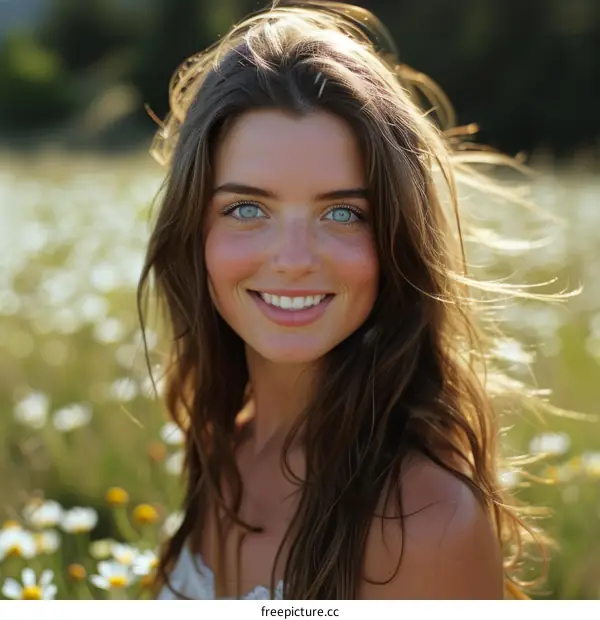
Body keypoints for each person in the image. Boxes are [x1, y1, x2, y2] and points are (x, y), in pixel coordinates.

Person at [137, 0, 561, 600]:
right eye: (246, 209)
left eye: (342, 212)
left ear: (396, 241)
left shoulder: (426, 520)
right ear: (193, 233)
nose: (292, 258)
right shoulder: (223, 444)